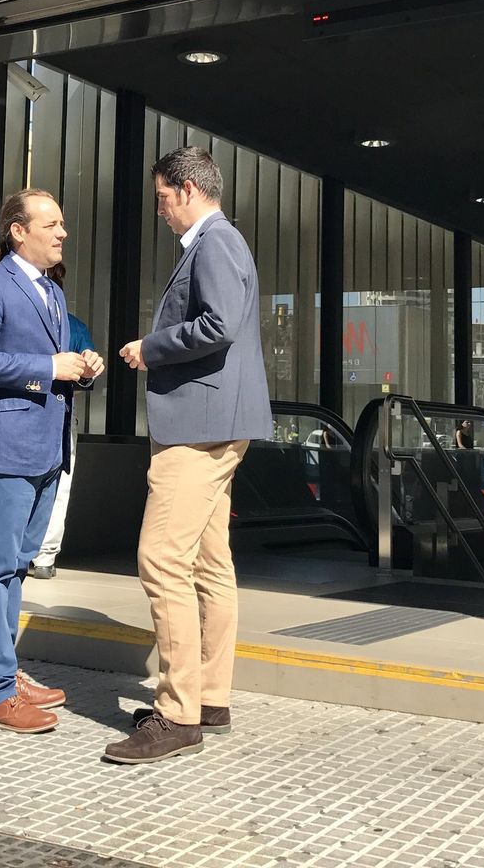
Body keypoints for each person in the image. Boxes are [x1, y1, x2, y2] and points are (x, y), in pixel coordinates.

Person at [107, 146, 272, 766]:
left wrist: (152, 347)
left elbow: (219, 325)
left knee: (160, 559)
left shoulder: (216, 242)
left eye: (160, 199)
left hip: (200, 426)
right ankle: (210, 696)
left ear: (184, 190)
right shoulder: (219, 243)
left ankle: (177, 713)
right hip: (215, 419)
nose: (159, 212)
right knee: (208, 562)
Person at [0, 188, 104, 734]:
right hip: (6, 446)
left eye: (63, 224)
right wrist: (50, 366)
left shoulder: (52, 293)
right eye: (53, 224)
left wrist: (81, 367)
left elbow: (55, 365)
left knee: (17, 564)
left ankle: (6, 670)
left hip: (46, 447)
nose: (63, 233)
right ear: (18, 230)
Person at [28, 260, 96, 581]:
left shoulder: (71, 326)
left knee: (40, 481)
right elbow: (87, 376)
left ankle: (34, 552)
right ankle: (43, 555)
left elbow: (87, 373)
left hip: (41, 409)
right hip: (59, 410)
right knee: (57, 483)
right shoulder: (74, 326)